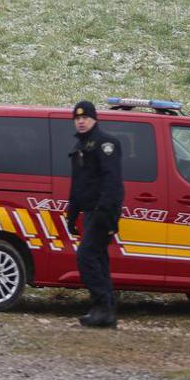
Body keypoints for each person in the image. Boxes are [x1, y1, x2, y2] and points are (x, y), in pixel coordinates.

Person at [66, 99, 123, 327]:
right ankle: (106, 311)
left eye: (85, 118)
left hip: (103, 211)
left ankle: (102, 306)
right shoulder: (81, 147)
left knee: (86, 256)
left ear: (94, 119)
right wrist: (72, 213)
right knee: (99, 259)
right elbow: (78, 184)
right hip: (89, 211)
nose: (80, 122)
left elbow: (113, 180)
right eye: (77, 119)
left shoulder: (105, 143)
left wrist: (105, 211)